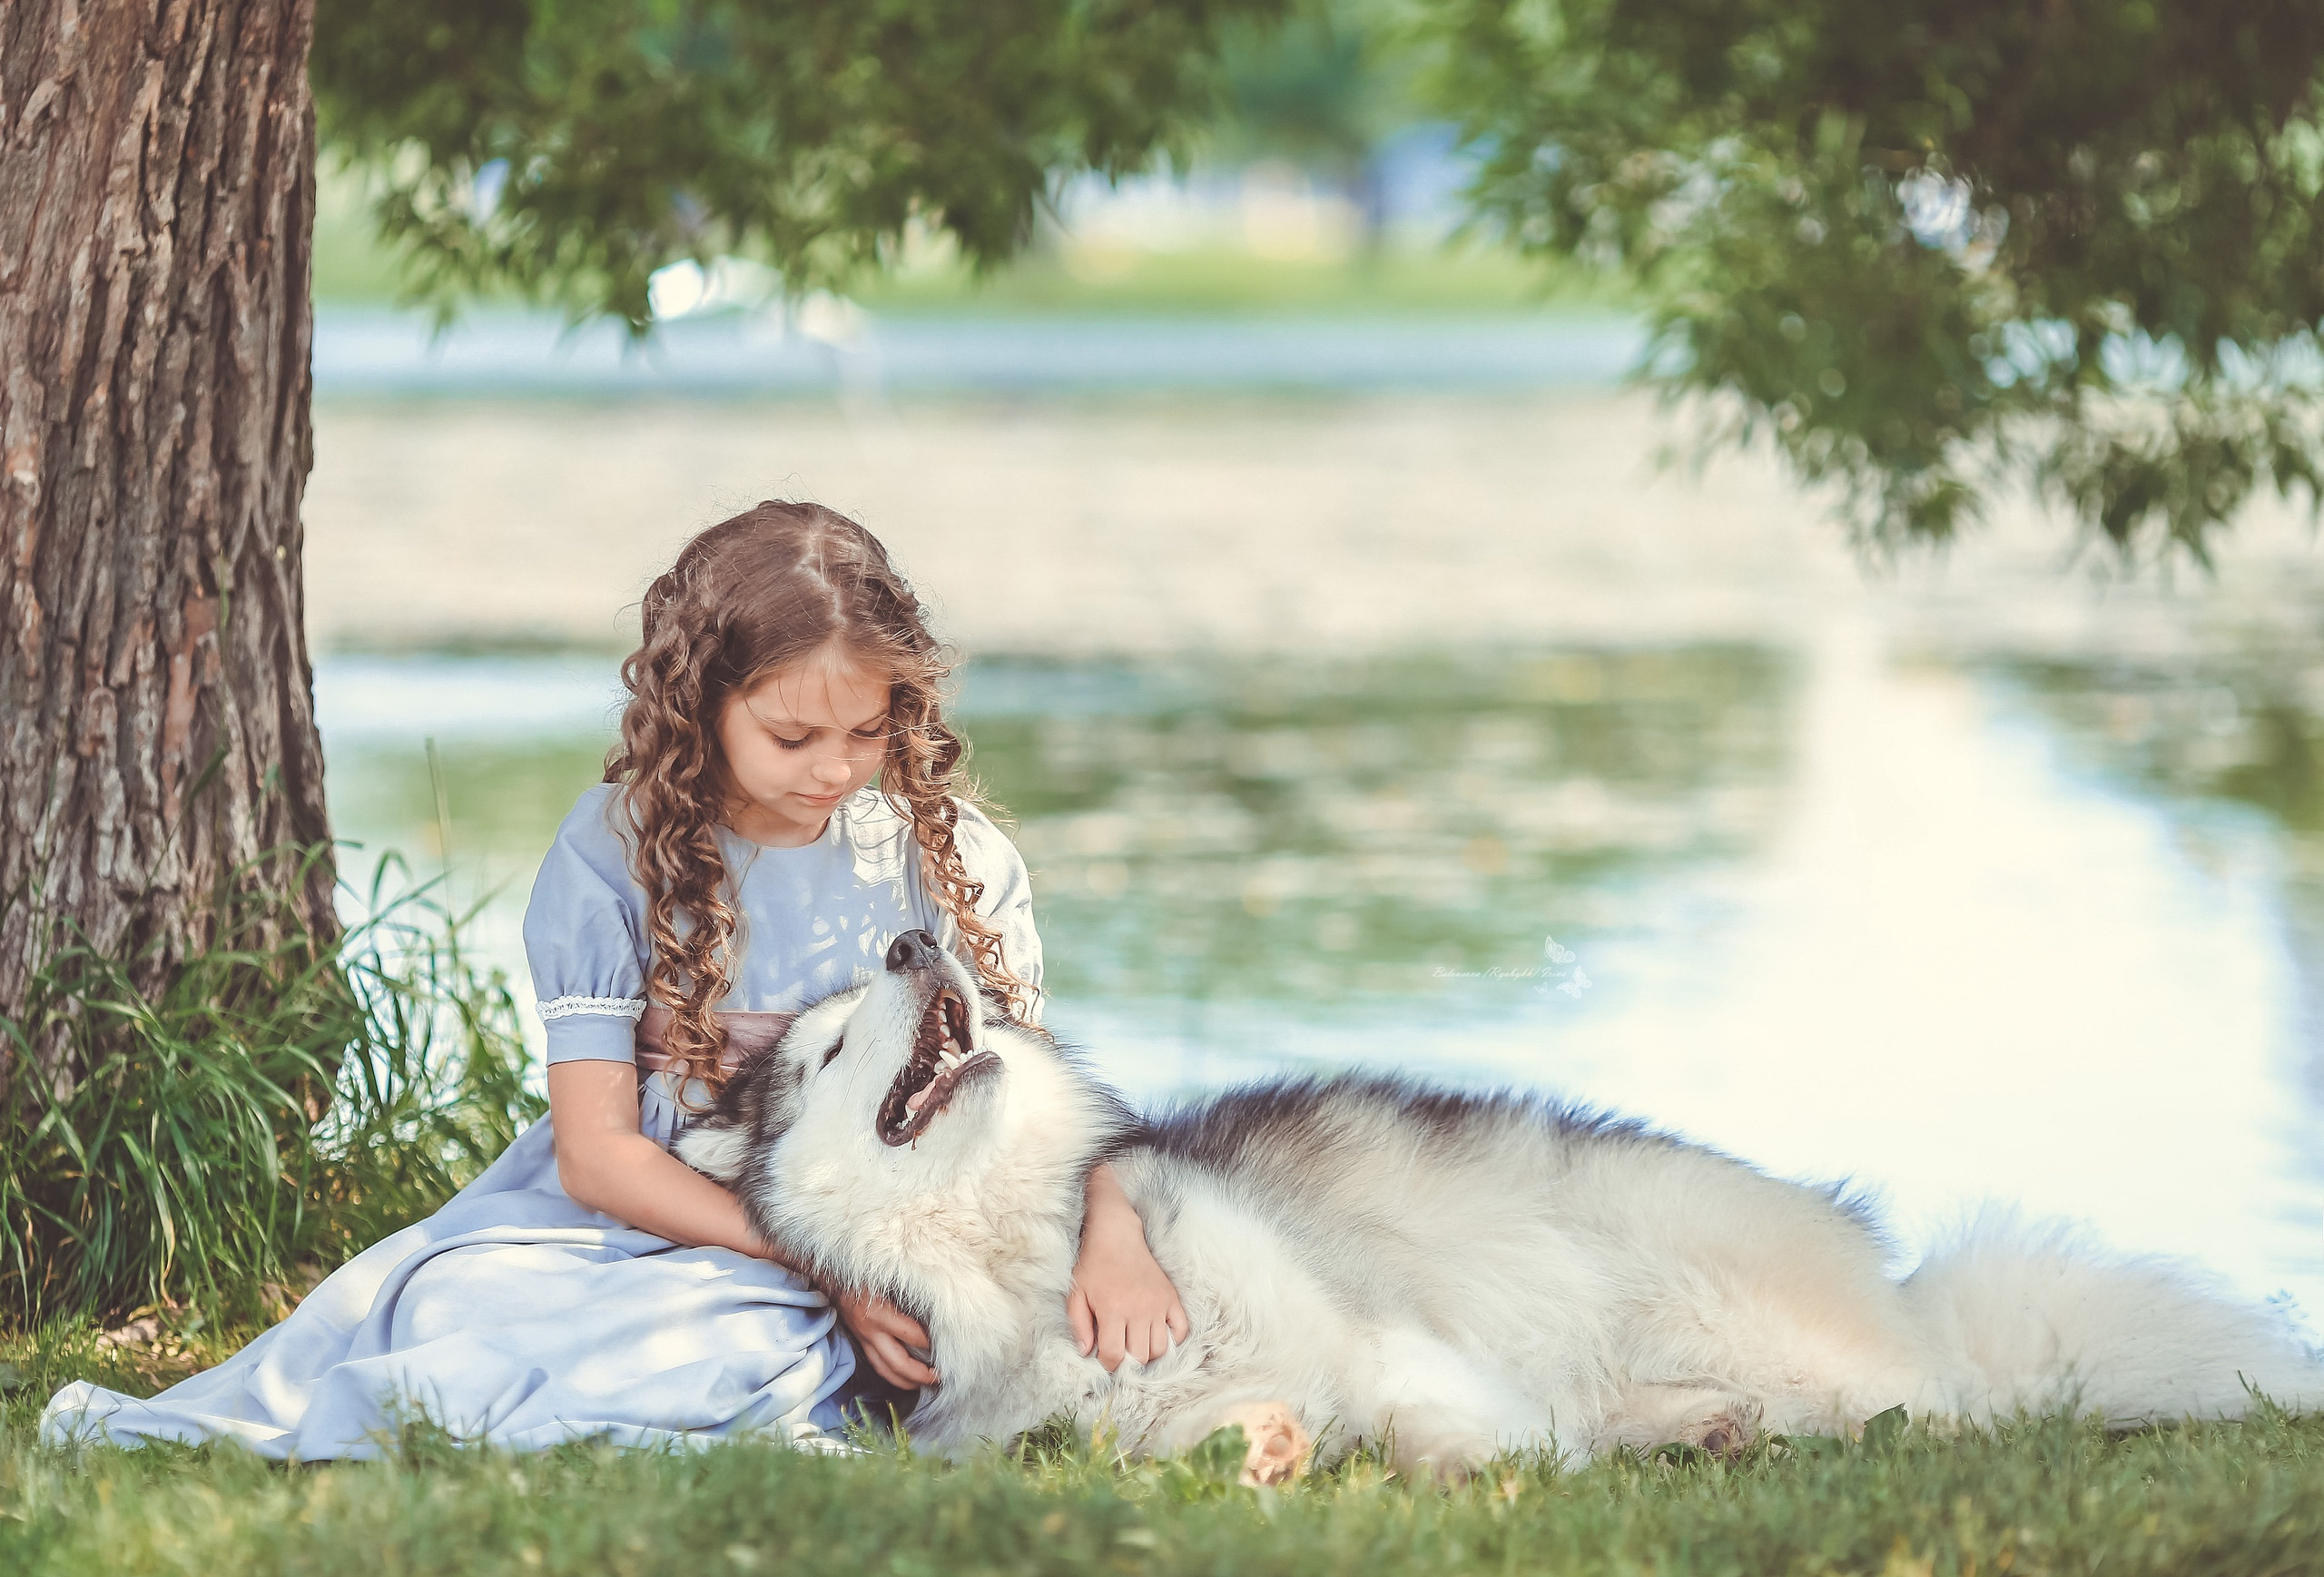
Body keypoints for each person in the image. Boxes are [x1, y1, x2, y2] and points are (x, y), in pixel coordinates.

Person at [42, 501, 1187, 1458]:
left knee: (790, 1339)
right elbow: (598, 1157)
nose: (834, 769)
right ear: (705, 705)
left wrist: (1115, 1234)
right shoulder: (613, 856)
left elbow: (1039, 1107)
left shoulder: (953, 862)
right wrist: (820, 1264)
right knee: (451, 1314)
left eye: (865, 731)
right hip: (663, 1222)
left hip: (902, 1224)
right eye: (792, 738)